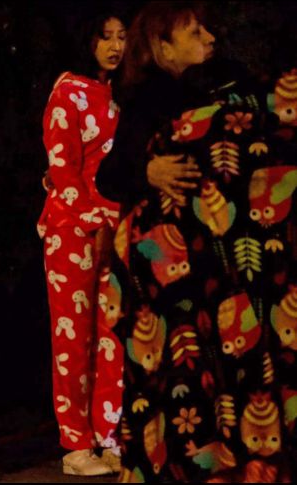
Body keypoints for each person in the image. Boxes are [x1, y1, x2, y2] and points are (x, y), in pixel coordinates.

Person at [97, 2, 297, 481]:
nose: (208, 38)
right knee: (174, 379)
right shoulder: (148, 98)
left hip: (208, 273)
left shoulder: (213, 89)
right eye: (194, 32)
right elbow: (110, 175)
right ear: (162, 46)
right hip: (168, 281)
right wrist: (149, 171)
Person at [37, 10, 127, 477]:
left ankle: (109, 433)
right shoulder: (67, 92)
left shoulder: (122, 90)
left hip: (117, 226)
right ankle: (75, 443)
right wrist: (92, 219)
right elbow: (62, 167)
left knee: (112, 335)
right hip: (72, 228)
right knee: (73, 339)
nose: (114, 45)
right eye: (104, 36)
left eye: (121, 36)